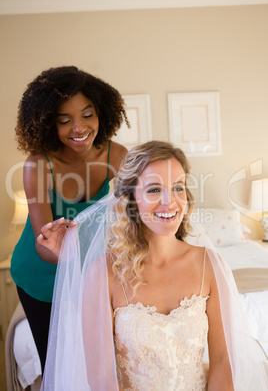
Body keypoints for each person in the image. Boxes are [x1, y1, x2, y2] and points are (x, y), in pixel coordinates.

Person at [39, 141, 268, 390]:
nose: (170, 202)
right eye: (154, 189)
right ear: (131, 200)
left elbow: (223, 362)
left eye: (178, 187)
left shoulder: (210, 264)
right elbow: (101, 379)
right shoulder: (102, 272)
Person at [10, 65, 129, 373]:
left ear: (101, 112)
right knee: (57, 363)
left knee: (98, 361)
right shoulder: (38, 165)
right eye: (65, 120)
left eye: (88, 115)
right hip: (41, 274)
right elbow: (43, 245)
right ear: (49, 124)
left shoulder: (115, 155)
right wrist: (60, 247)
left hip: (90, 270)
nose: (79, 127)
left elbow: (139, 210)